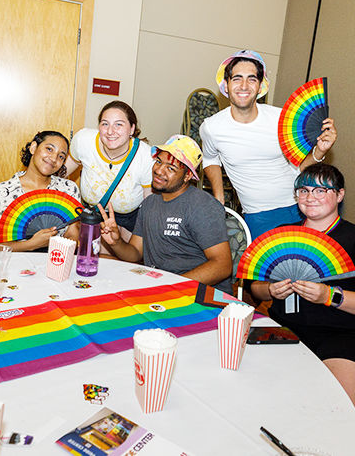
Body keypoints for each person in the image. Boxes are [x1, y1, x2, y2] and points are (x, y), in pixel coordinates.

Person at [199, 49, 337, 239]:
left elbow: (299, 168)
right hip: (258, 216)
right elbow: (209, 158)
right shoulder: (212, 127)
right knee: (265, 268)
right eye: (237, 78)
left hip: (301, 206)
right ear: (226, 84)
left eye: (252, 79)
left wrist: (319, 152)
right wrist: (219, 196)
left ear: (260, 86)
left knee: (309, 266)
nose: (244, 85)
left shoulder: (282, 118)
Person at [250, 163, 355, 404]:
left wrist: (330, 296)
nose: (310, 197)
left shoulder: (352, 238)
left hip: (338, 334)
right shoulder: (282, 233)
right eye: (304, 190)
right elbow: (254, 287)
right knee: (258, 396)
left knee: (337, 407)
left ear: (340, 195)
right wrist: (269, 290)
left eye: (321, 191)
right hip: (282, 327)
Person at [98, 134, 233, 294]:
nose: (159, 171)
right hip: (161, 289)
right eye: (159, 161)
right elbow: (134, 253)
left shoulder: (203, 206)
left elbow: (222, 266)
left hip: (200, 294)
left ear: (188, 176)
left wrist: (172, 286)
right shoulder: (149, 203)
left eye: (171, 168)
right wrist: (116, 242)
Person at [65, 101, 153, 241]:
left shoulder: (146, 157)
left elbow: (150, 205)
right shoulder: (83, 141)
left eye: (119, 124)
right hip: (92, 216)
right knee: (89, 258)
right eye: (105, 124)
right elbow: (61, 175)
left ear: (131, 129)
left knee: (125, 260)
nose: (110, 131)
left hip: (128, 220)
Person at [0, 130, 81, 251]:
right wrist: (32, 244)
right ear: (33, 148)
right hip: (14, 265)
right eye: (49, 149)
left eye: (61, 156)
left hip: (57, 262)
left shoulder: (68, 189)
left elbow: (73, 233)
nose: (54, 158)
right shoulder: (1, 192)